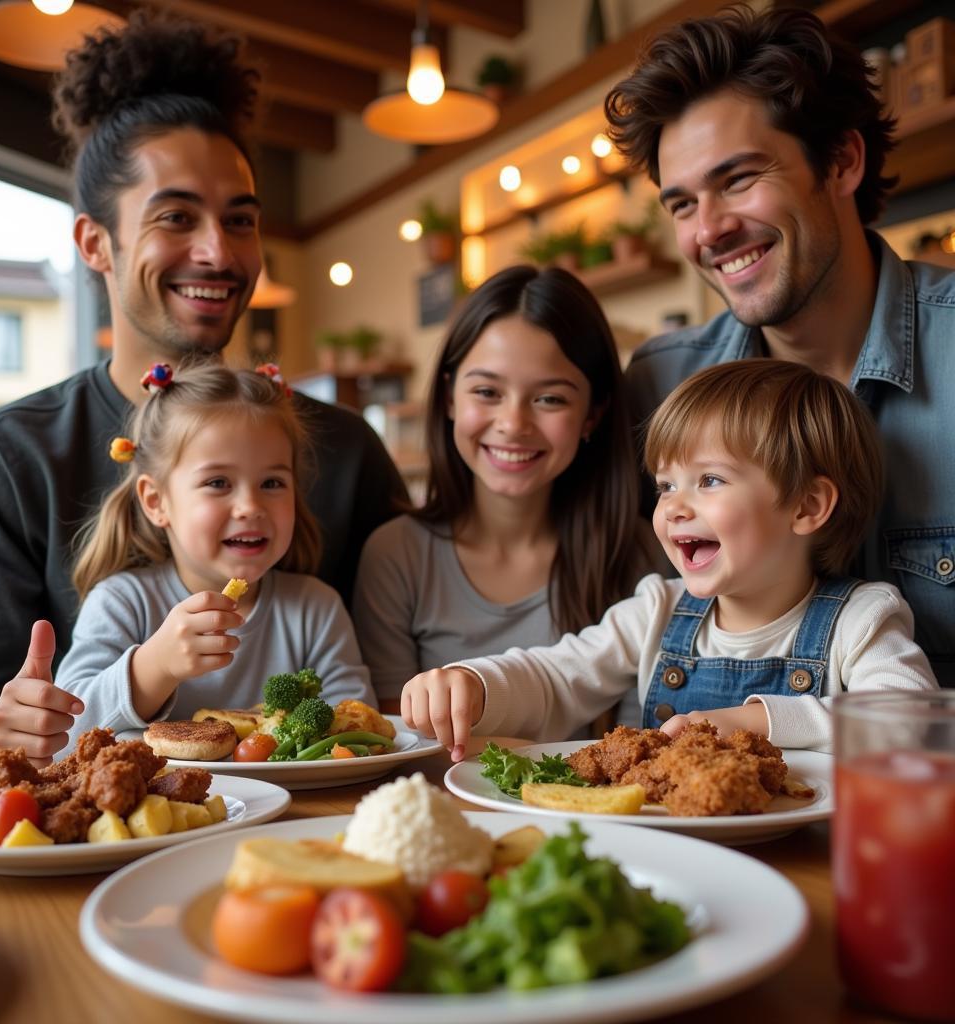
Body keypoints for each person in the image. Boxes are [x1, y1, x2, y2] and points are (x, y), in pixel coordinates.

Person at [0, 13, 404, 764]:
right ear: (95, 243)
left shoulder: (346, 449)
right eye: (176, 217)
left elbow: (393, 663)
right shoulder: (12, 453)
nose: (218, 251)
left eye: (240, 220)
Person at [602, 5, 955, 687]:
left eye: (737, 179)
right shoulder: (661, 382)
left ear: (842, 161)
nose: (709, 230)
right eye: (681, 204)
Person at [400, 360, 938, 760]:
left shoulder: (859, 619)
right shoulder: (659, 608)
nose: (674, 507)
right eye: (664, 485)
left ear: (807, 505)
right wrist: (473, 682)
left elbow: (912, 718)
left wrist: (759, 722)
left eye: (709, 480)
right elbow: (555, 677)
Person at [352, 265, 661, 711]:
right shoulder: (395, 556)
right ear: (448, 398)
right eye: (487, 392)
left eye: (549, 398)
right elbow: (393, 745)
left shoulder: (637, 553)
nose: (514, 425)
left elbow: (642, 748)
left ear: (592, 414)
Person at [53, 361, 374, 756]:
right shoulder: (121, 602)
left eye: (272, 483)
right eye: (218, 483)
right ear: (156, 501)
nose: (250, 506)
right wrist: (155, 667)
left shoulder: (316, 608)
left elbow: (361, 730)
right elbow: (64, 733)